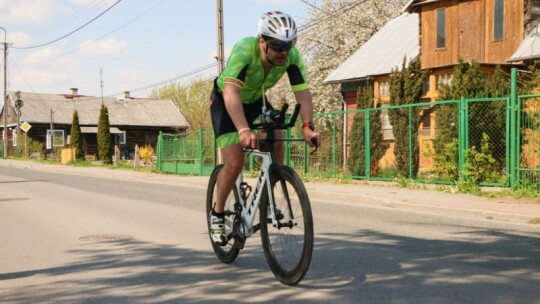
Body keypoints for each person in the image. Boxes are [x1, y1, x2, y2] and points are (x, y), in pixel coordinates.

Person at [209, 11, 320, 245]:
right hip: (227, 102)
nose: (283, 53)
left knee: (277, 136)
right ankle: (217, 214)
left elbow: (303, 94)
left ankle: (269, 193)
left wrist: (308, 126)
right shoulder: (245, 49)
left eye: (289, 46)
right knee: (235, 161)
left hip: (256, 101)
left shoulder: (290, 56)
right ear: (262, 42)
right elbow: (230, 93)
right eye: (278, 46)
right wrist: (242, 130)